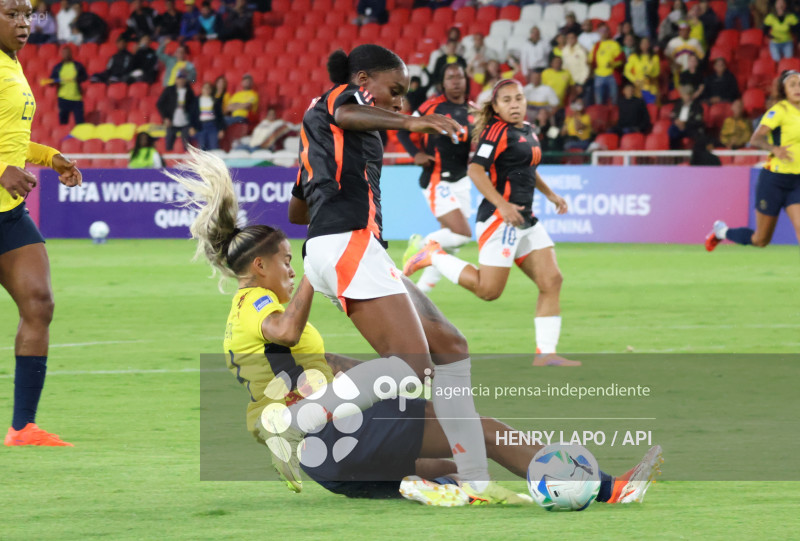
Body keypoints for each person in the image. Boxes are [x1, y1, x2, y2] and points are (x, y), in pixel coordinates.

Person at [167, 149, 664, 505]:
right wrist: (316, 275)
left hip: (332, 464)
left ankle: (424, 487)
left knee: (451, 465)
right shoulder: (253, 300)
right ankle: (605, 488)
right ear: (258, 267)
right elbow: (286, 332)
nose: (291, 270)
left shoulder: (246, 313)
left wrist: (394, 377)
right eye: (285, 262)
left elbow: (321, 363)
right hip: (336, 438)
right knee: (483, 433)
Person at [290, 44, 519, 504]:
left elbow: (297, 210)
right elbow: (348, 113)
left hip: (345, 247)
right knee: (413, 366)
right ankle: (299, 419)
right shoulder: (338, 100)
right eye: (394, 91)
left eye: (403, 95)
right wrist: (414, 123)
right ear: (362, 81)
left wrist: (330, 185)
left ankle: (474, 479)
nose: (399, 102)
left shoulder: (325, 134)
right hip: (348, 242)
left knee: (451, 346)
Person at [404, 79, 577, 366]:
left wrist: (550, 194)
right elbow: (475, 170)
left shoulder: (527, 129)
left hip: (525, 219)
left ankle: (546, 353)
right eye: (507, 100)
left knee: (551, 280)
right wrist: (503, 205)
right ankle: (433, 255)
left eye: (519, 98)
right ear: (495, 107)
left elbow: (528, 167)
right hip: (500, 220)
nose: (515, 105)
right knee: (488, 291)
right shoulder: (495, 132)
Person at [1, 0, 82, 446]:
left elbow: (11, 141)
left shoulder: (12, 65)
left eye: (27, 14)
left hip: (8, 213)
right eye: (11, 13)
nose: (23, 23)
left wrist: (52, 158)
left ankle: (22, 427)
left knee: (39, 303)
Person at [397, 64, 474, 295]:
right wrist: (416, 154)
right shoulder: (432, 106)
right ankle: (420, 245)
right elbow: (403, 129)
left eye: (459, 76)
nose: (456, 81)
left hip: (462, 180)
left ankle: (420, 293)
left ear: (466, 80)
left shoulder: (474, 110)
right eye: (450, 77)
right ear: (443, 83)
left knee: (448, 246)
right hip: (437, 178)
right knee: (461, 235)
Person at [706, 71, 800, 250]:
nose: (798, 88)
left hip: (797, 182)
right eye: (792, 84)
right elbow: (755, 139)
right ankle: (721, 232)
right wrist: (775, 149)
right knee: (761, 240)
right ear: (784, 90)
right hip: (774, 181)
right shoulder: (779, 110)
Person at [157, 70, 199, 151]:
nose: (181, 81)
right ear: (176, 79)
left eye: (183, 79)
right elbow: (160, 104)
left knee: (187, 146)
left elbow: (193, 108)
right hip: (172, 122)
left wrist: (192, 124)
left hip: (185, 123)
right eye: (179, 78)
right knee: (169, 144)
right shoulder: (169, 90)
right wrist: (165, 117)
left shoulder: (189, 91)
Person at [49, 45, 87, 125]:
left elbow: (85, 77)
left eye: (67, 53)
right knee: (63, 123)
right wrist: (54, 82)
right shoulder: (58, 67)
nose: (65, 55)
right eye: (64, 53)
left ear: (70, 54)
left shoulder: (77, 66)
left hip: (76, 98)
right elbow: (51, 81)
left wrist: (77, 79)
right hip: (63, 98)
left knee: (80, 123)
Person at [591, 24, 624, 105]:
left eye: (606, 31)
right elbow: (591, 59)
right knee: (599, 101)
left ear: (608, 32)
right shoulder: (596, 45)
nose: (604, 33)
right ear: (598, 32)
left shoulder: (614, 44)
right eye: (602, 31)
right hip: (598, 76)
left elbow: (620, 59)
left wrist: (612, 64)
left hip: (611, 76)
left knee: (613, 100)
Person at [623, 36, 660, 104]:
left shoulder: (654, 57)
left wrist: (650, 75)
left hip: (651, 87)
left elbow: (657, 72)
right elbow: (626, 71)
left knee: (651, 107)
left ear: (649, 45)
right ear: (639, 45)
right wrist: (635, 80)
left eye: (646, 43)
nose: (645, 45)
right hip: (639, 88)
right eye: (643, 43)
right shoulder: (633, 57)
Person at [668, 84, 705, 149]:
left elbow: (698, 121)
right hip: (679, 127)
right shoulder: (678, 104)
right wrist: (677, 121)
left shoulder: (697, 106)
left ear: (691, 95)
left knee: (698, 134)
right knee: (672, 130)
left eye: (687, 95)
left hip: (691, 128)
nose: (686, 97)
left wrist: (685, 123)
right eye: (684, 95)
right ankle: (674, 152)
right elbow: (673, 115)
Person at [196, 82, 225, 151]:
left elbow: (220, 116)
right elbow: (193, 115)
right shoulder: (196, 101)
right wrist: (192, 126)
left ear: (211, 90)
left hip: (212, 125)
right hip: (201, 126)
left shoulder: (215, 100)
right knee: (202, 147)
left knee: (214, 146)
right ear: (202, 89)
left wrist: (221, 129)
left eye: (208, 88)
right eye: (205, 88)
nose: (207, 89)